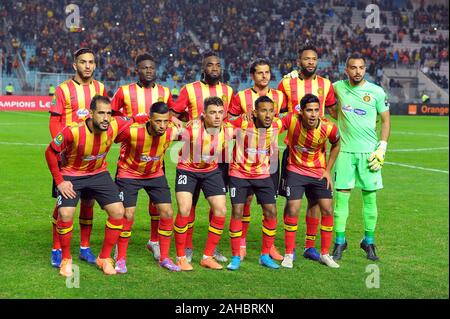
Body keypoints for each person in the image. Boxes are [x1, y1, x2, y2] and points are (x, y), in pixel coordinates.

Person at [45, 95, 133, 276]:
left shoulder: (114, 125)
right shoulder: (73, 131)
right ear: (91, 113)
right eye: (101, 113)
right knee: (66, 213)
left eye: (109, 113)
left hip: (99, 174)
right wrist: (60, 181)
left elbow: (137, 118)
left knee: (118, 212)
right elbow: (50, 152)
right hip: (72, 174)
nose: (106, 118)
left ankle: (104, 258)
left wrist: (173, 119)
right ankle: (66, 259)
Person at [111, 53, 176, 262]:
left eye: (151, 67)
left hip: (156, 157)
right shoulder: (124, 91)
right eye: (144, 68)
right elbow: (112, 116)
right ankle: (118, 250)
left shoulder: (164, 92)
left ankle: (155, 241)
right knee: (125, 210)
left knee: (158, 205)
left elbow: (170, 116)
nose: (149, 71)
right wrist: (132, 120)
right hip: (131, 154)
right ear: (136, 70)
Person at [170, 51, 233, 263]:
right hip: (191, 154)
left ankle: (211, 251)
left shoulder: (228, 90)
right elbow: (173, 113)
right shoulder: (190, 89)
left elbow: (232, 117)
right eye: (210, 65)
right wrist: (179, 124)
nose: (214, 68)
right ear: (203, 67)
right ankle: (186, 248)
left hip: (216, 156)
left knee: (218, 206)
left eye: (217, 65)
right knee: (190, 205)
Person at [48, 48, 108, 268]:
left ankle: (84, 247)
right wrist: (60, 146)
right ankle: (56, 248)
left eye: (91, 62)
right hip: (69, 156)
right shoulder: (63, 89)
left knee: (89, 202)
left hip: (91, 157)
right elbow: (55, 120)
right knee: (63, 202)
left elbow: (106, 118)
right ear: (75, 65)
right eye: (83, 62)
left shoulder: (100, 88)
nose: (87, 66)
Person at [278, 44, 337, 262]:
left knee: (316, 203)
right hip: (294, 150)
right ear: (299, 60)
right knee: (292, 204)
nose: (310, 62)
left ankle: (311, 247)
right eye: (306, 59)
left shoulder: (326, 84)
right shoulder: (286, 83)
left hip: (318, 151)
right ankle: (289, 251)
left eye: (314, 59)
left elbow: (333, 110)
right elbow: (277, 109)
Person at [329, 53, 391, 261]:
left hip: (369, 153)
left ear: (365, 69)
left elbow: (385, 120)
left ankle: (369, 242)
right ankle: (340, 242)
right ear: (346, 70)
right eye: (353, 68)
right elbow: (319, 93)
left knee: (370, 198)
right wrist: (294, 76)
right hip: (345, 151)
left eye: (361, 68)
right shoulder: (337, 87)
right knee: (341, 200)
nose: (357, 71)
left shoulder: (376, 92)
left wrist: (381, 147)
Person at [228, 58, 286, 261]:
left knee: (270, 204)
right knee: (246, 201)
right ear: (252, 75)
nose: (264, 76)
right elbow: (228, 121)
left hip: (270, 161)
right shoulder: (241, 97)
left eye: (267, 72)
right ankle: (241, 243)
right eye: (260, 73)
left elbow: (286, 120)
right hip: (245, 161)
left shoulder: (279, 96)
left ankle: (269, 248)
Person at [114, 102, 181, 273]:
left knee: (167, 212)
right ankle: (120, 258)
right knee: (128, 215)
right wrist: (136, 117)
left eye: (166, 121)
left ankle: (164, 258)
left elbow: (194, 129)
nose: (162, 126)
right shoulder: (133, 131)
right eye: (158, 121)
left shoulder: (172, 130)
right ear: (149, 119)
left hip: (154, 174)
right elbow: (114, 135)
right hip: (129, 174)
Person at [279, 94, 341, 269]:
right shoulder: (291, 120)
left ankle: (324, 254)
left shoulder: (329, 127)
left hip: (318, 172)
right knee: (293, 208)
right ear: (301, 112)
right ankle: (289, 253)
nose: (313, 114)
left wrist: (328, 170)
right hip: (295, 169)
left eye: (316, 110)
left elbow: (337, 144)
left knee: (327, 208)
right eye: (309, 110)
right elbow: (272, 126)